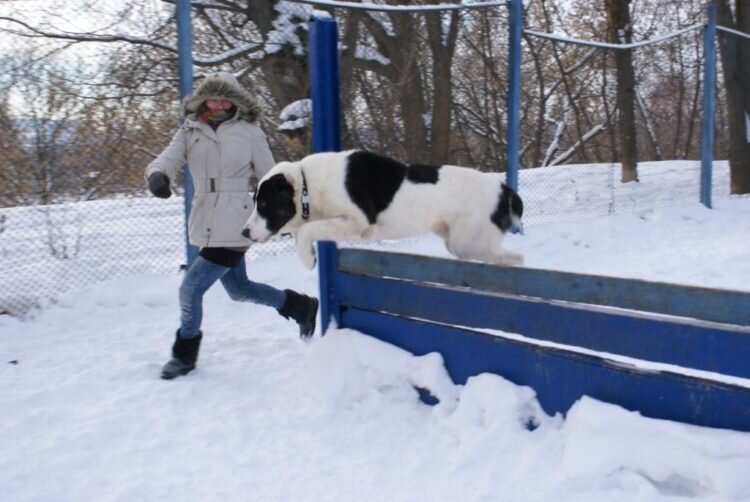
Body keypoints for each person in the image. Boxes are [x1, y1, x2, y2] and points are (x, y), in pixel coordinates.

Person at [145, 71, 319, 380]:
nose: (219, 102)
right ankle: (300, 306)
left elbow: (270, 174)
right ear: (203, 99)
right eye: (213, 96)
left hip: (237, 219)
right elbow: (168, 159)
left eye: (225, 97)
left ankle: (184, 354)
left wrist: (284, 209)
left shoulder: (249, 132)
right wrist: (158, 175)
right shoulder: (190, 130)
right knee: (239, 290)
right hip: (205, 217)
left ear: (235, 99)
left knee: (191, 289)